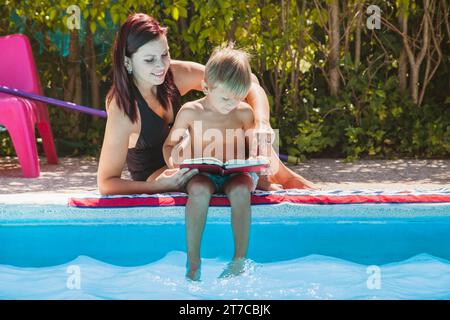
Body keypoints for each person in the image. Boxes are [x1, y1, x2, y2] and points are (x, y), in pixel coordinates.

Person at [97, 13, 317, 197]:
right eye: (149, 60)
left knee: (233, 117)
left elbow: (249, 84)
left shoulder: (174, 74)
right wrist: (155, 187)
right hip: (160, 174)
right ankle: (268, 179)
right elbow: (106, 183)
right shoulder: (123, 108)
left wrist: (262, 123)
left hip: (200, 157)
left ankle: (283, 177)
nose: (161, 65)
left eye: (165, 54)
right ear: (127, 61)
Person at [163, 45, 261, 280]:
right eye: (226, 97)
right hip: (202, 172)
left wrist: (259, 165)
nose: (231, 103)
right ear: (206, 86)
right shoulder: (190, 111)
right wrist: (173, 167)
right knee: (197, 190)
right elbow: (169, 146)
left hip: (234, 173)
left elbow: (256, 145)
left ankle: (239, 259)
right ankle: (193, 260)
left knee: (240, 191)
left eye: (238, 97)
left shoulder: (244, 112)